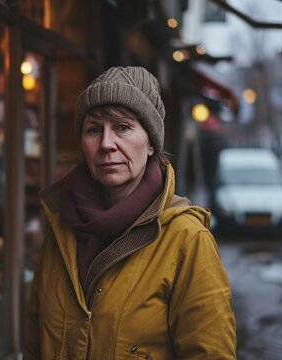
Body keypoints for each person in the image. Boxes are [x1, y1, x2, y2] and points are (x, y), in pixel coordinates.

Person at [24, 66, 236, 359]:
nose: (106, 144)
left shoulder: (187, 240)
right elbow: (34, 341)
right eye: (94, 130)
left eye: (123, 127)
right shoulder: (62, 226)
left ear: (151, 142)